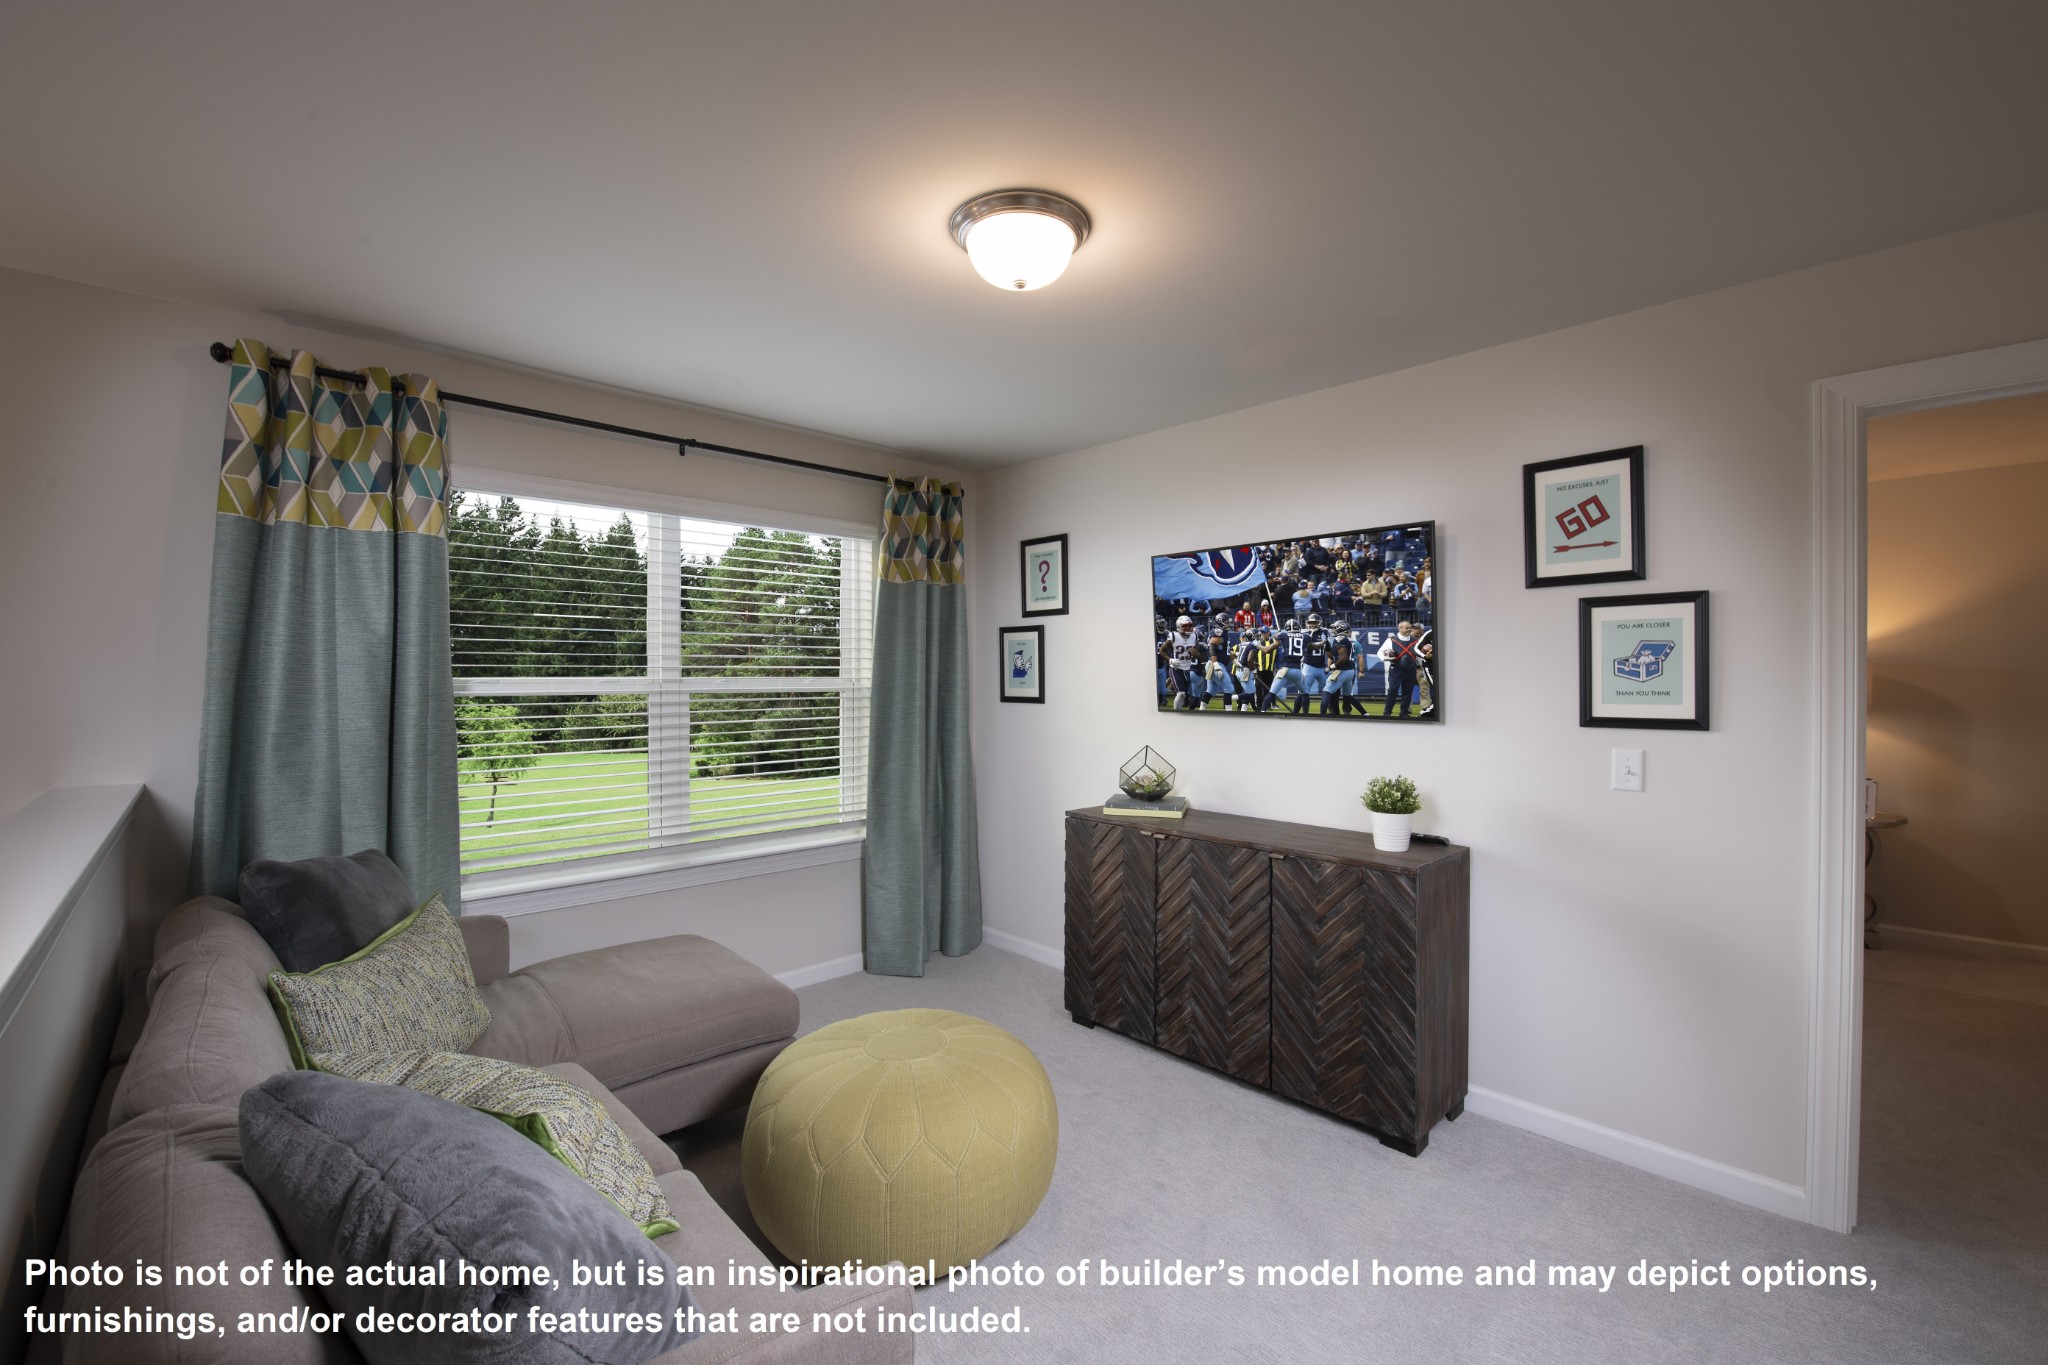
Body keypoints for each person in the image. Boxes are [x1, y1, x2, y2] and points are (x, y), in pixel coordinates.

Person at [1378, 620, 1423, 718]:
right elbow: (1380, 652)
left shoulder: (1415, 641)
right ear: (1400, 628)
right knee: (1392, 691)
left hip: (1410, 670)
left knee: (1408, 692)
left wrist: (1421, 664)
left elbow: (1419, 655)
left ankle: (1404, 713)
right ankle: (1387, 712)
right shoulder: (1392, 640)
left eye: (1410, 628)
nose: (1409, 629)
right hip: (1396, 669)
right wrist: (1386, 657)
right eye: (1407, 628)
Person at [1164, 614, 1204, 709]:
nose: (1189, 628)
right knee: (1181, 693)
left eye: (1190, 625)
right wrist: (1170, 659)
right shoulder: (1173, 635)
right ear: (1179, 626)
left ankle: (1179, 712)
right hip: (1176, 667)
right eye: (1186, 625)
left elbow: (1199, 656)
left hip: (1187, 669)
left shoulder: (1194, 636)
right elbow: (1162, 650)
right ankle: (1176, 713)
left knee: (1184, 694)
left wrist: (1196, 653)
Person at [1296, 614, 1330, 715]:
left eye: (1314, 623)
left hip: (1321, 667)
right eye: (1310, 623)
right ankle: (1296, 712)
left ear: (1319, 623)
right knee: (1303, 692)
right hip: (1308, 666)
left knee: (1329, 690)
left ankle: (1330, 711)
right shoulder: (1305, 633)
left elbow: (1329, 648)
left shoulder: (1325, 632)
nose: (1312, 625)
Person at [1322, 629, 1362, 715]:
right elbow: (1360, 657)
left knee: (1330, 692)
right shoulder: (1355, 643)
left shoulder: (1339, 640)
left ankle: (1332, 712)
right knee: (1347, 695)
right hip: (1350, 670)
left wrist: (1330, 667)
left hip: (1340, 669)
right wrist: (1361, 671)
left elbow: (1334, 658)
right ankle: (1362, 713)